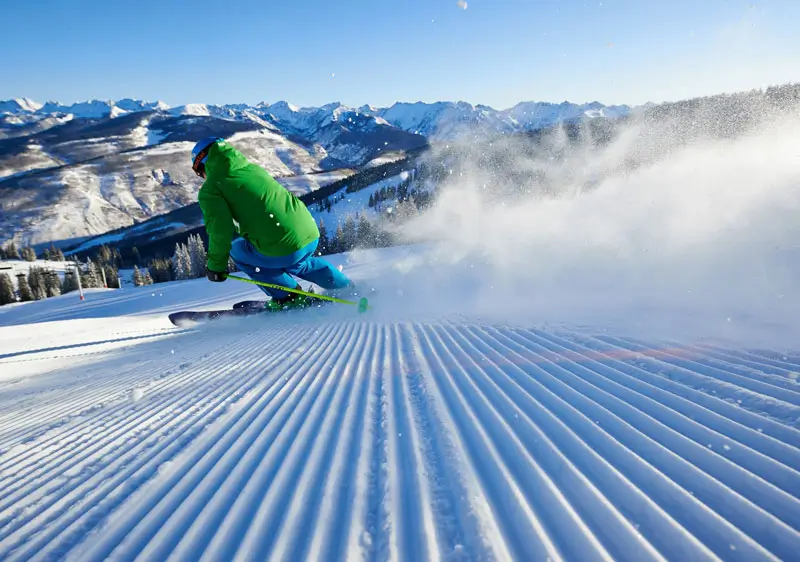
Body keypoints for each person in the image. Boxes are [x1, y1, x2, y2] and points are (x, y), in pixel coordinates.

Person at [191, 136, 353, 310]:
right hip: (309, 234)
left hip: (282, 246)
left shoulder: (212, 189)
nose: (202, 177)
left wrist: (216, 267)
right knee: (301, 263)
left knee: (238, 251)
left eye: (200, 173)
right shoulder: (252, 169)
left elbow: (220, 231)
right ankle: (346, 288)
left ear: (203, 164)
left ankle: (288, 297)